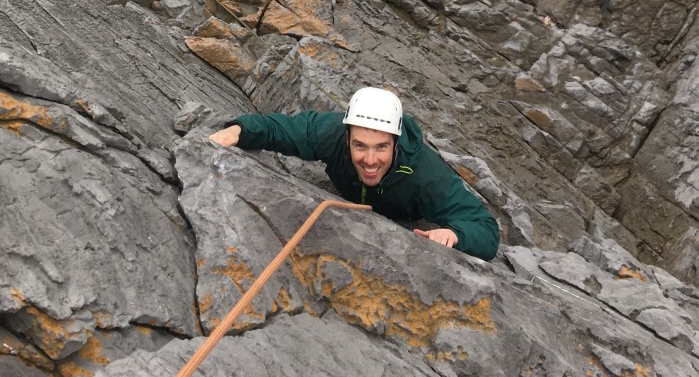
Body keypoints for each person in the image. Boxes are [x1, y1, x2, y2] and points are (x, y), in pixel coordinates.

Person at [209, 86, 500, 261]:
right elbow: (281, 129)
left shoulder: (425, 175)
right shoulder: (331, 133)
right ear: (346, 137)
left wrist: (454, 234)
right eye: (359, 145)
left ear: (396, 142)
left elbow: (485, 229)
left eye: (381, 147)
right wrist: (240, 130)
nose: (370, 159)